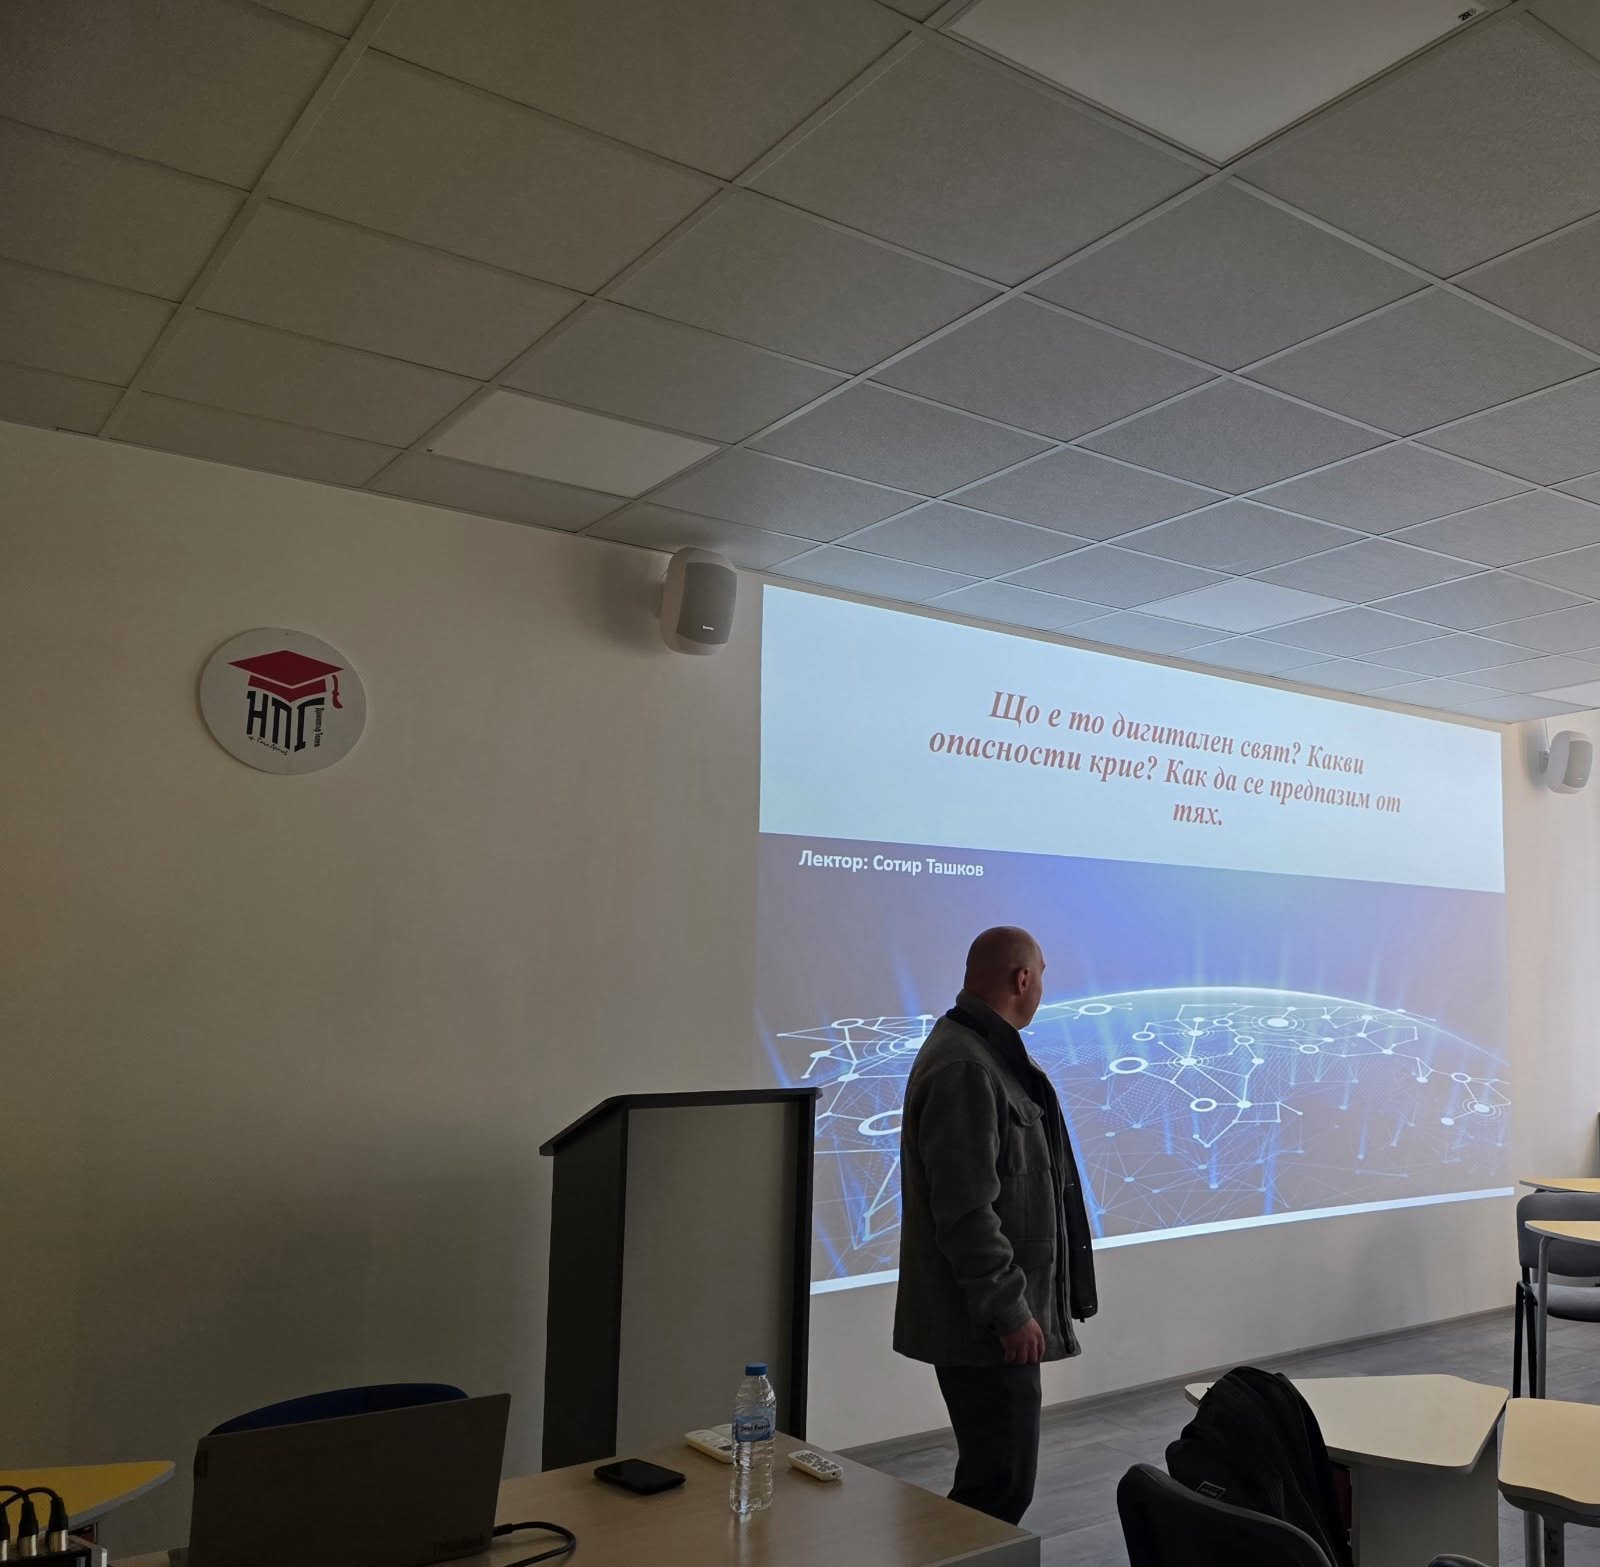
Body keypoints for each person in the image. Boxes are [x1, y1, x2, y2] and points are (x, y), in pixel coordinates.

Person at [893, 926, 1097, 1526]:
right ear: (1022, 979)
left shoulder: (983, 1054)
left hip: (989, 1324)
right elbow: (966, 1211)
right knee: (996, 1493)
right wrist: (1009, 1309)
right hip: (986, 1330)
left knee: (996, 1486)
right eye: (1042, 977)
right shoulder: (966, 1065)